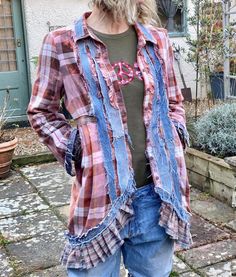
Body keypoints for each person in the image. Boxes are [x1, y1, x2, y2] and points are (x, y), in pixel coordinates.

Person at [27, 0, 192, 276]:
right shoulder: (62, 43)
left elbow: (173, 102)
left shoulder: (157, 40)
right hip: (98, 200)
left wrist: (173, 137)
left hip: (157, 196)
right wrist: (77, 147)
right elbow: (41, 111)